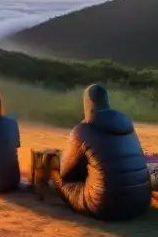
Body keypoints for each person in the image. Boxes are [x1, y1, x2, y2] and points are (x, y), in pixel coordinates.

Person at [53, 83, 151, 220]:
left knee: (57, 177)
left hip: (106, 206)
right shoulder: (127, 126)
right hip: (141, 202)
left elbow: (65, 173)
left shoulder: (83, 130)